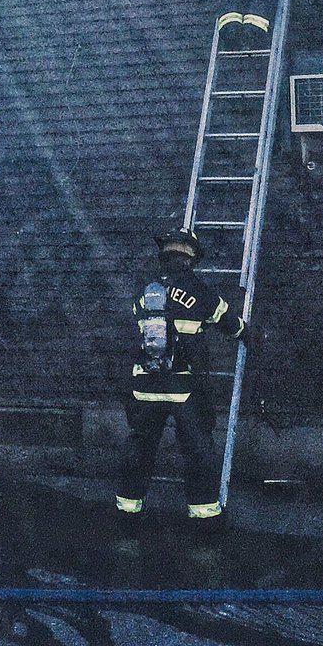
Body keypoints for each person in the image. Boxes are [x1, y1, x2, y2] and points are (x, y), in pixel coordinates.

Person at [114, 227, 246, 531]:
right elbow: (230, 323)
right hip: (184, 389)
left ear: (164, 255)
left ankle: (127, 515)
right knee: (198, 451)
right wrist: (250, 334)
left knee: (138, 449)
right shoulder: (199, 290)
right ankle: (204, 520)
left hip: (144, 385)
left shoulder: (145, 292)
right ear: (191, 258)